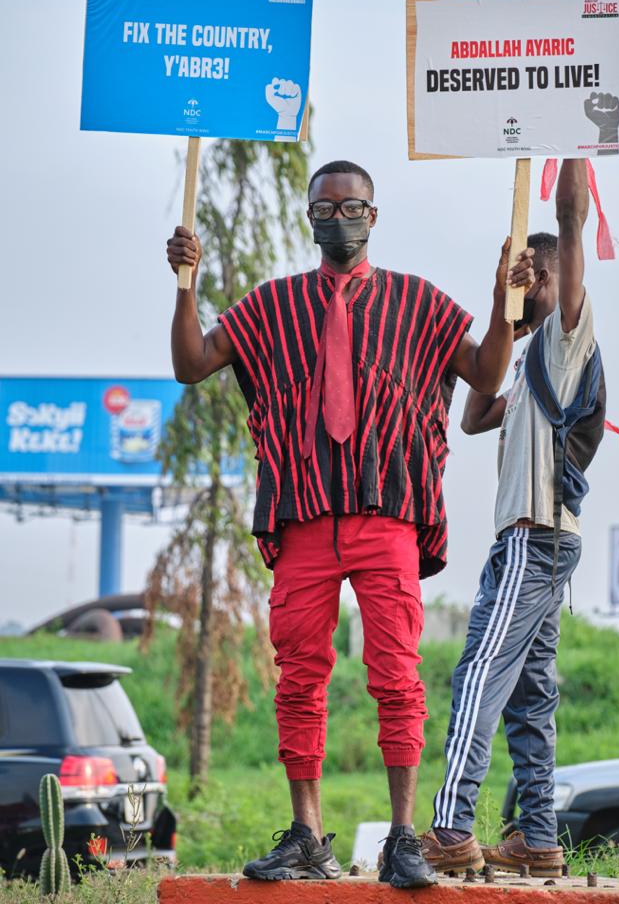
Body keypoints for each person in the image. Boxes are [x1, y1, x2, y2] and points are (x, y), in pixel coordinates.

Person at [167, 159, 534, 888]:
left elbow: (485, 376)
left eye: (353, 207)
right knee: (298, 678)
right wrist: (185, 284)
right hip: (303, 516)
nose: (340, 219)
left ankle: (403, 838)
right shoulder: (269, 307)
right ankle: (306, 835)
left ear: (375, 215)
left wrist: (502, 302)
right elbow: (190, 363)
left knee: (396, 676)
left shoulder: (418, 303)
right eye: (326, 208)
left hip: (385, 516)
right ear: (310, 219)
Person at [421, 158, 600, 879]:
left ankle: (450, 827)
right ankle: (537, 838)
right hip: (534, 543)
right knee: (529, 697)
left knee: (477, 677)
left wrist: (566, 130)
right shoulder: (528, 353)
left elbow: (569, 222)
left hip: (535, 538)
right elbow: (470, 414)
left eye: (540, 273)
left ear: (562, 284)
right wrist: (504, 300)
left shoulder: (566, 341)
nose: (531, 279)